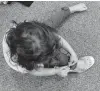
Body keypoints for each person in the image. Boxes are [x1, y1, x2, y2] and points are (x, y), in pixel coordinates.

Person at [2, 3, 95, 77]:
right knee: (60, 59)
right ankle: (74, 67)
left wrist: (73, 53)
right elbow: (36, 71)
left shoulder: (22, 31)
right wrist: (56, 71)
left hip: (34, 36)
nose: (55, 50)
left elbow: (58, 38)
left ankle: (68, 10)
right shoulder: (24, 65)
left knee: (50, 23)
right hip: (30, 58)